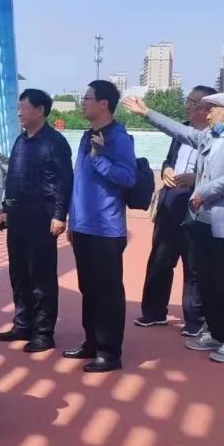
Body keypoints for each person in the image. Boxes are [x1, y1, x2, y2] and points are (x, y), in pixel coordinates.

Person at [123, 92, 224, 364]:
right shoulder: (209, 137)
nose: (207, 115)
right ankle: (216, 333)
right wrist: (147, 113)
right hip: (202, 222)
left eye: (211, 109)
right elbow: (179, 131)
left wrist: (202, 192)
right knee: (207, 281)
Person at [62, 80, 137, 373]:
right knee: (89, 290)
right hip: (83, 227)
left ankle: (109, 352)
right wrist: (72, 218)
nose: (83, 103)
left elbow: (128, 177)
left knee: (108, 292)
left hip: (106, 228)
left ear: (104, 104)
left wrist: (100, 159)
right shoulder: (87, 136)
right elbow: (79, 181)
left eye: (87, 98)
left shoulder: (119, 138)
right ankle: (91, 342)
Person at [0, 89, 73, 352]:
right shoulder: (20, 140)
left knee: (41, 277)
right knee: (18, 274)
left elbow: (64, 181)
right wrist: (7, 209)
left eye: (23, 107)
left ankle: (43, 332)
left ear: (40, 110)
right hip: (17, 218)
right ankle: (22, 324)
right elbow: (12, 178)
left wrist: (60, 215)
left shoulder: (55, 142)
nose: (19, 112)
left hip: (42, 218)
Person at [134, 85, 215, 336]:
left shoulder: (217, 137)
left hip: (195, 204)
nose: (187, 106)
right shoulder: (181, 131)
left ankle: (195, 319)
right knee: (160, 259)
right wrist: (167, 169)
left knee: (194, 264)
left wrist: (196, 179)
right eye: (188, 101)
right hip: (171, 201)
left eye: (193, 102)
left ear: (207, 108)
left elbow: (222, 174)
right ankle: (154, 312)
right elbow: (170, 159)